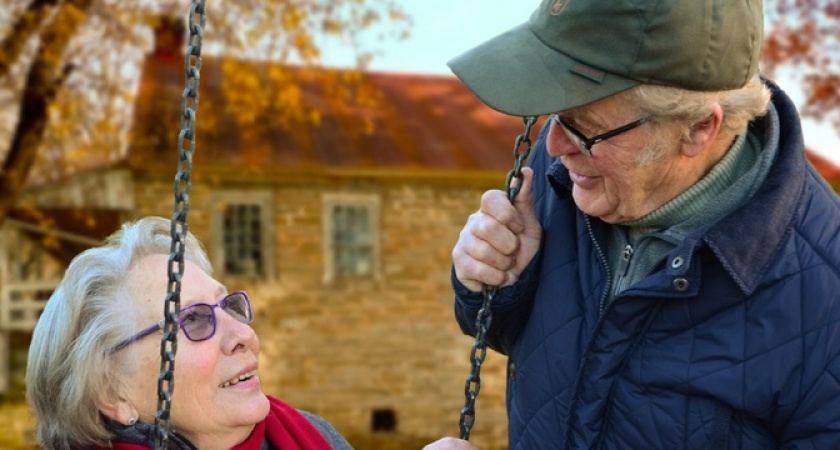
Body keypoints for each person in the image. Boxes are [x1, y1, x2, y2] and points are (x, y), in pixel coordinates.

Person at [445, 0, 840, 448]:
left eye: (583, 126)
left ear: (697, 129)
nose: (554, 146)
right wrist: (496, 286)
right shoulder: (566, 173)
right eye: (555, 113)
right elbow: (531, 347)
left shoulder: (826, 300)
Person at [26, 216, 353, 450]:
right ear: (112, 392)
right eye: (193, 319)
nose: (243, 335)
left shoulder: (315, 437)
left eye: (228, 306)